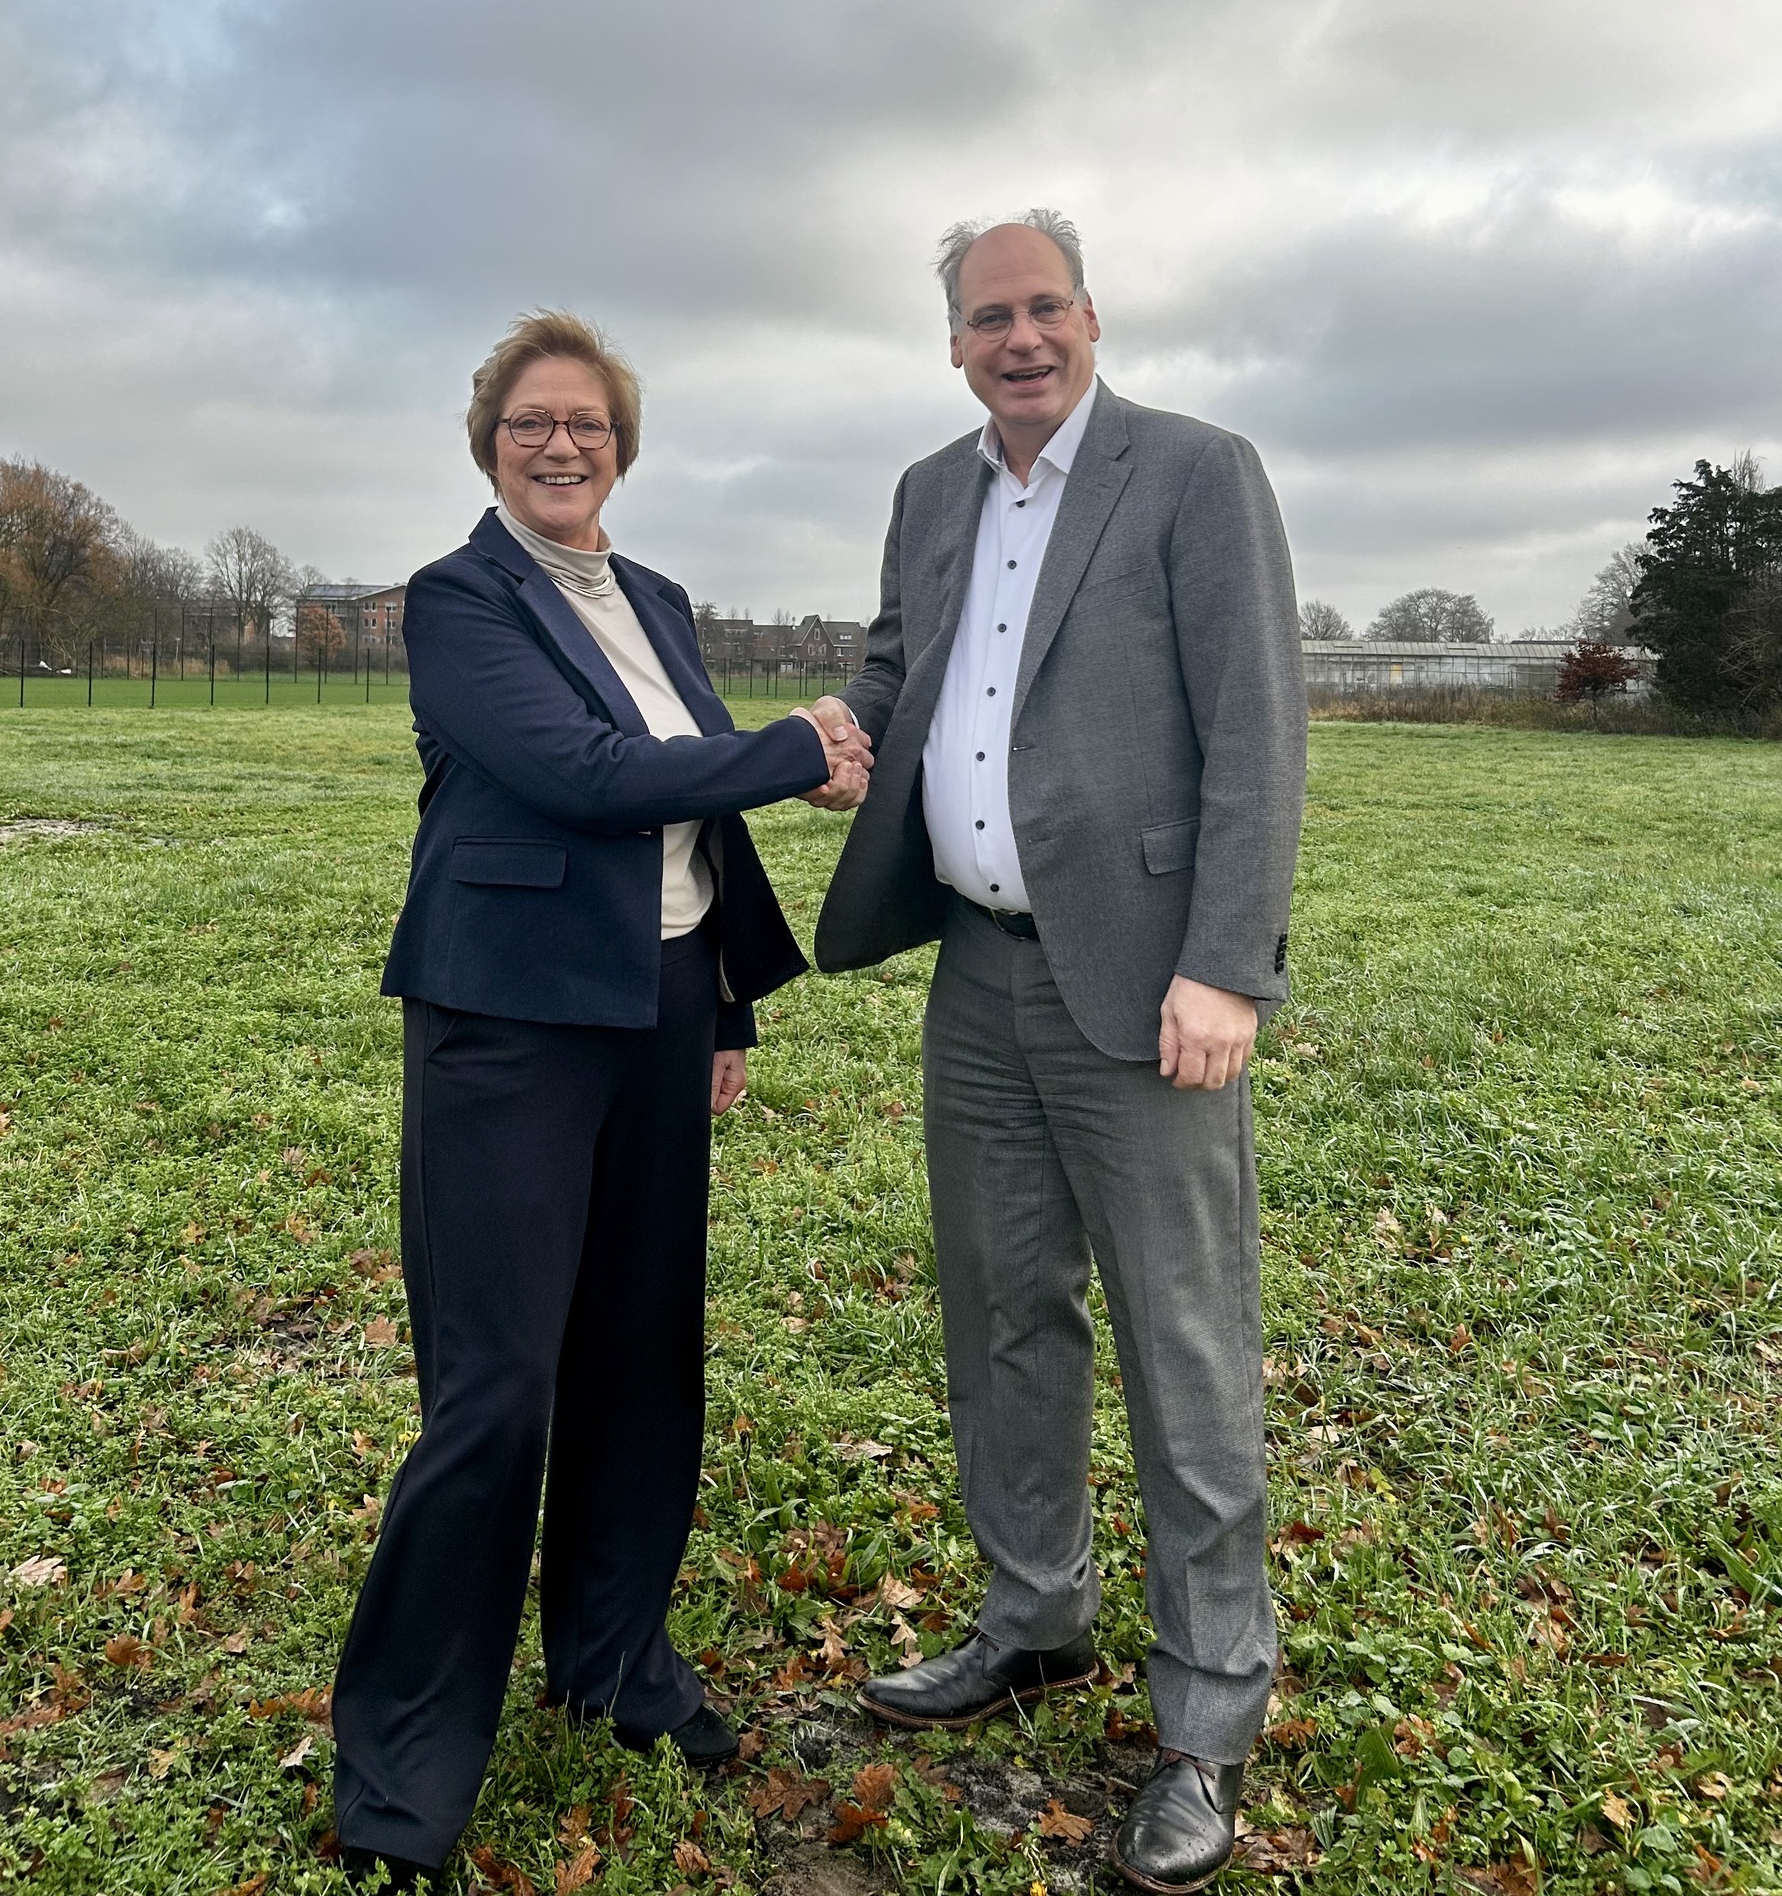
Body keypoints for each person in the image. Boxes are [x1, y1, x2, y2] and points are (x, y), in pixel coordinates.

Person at [330, 311, 870, 1891]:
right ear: (490, 443)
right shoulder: (458, 599)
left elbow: (685, 817)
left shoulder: (656, 597)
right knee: (495, 1389)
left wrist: (722, 1004)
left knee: (642, 1350)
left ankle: (613, 1664)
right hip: (507, 1023)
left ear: (622, 445)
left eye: (587, 425)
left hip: (653, 1005)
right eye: (530, 425)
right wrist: (796, 746)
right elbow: (582, 773)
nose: (559, 447)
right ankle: (409, 1762)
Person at [807, 215, 1306, 1895]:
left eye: (1043, 308)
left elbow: (1256, 725)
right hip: (978, 977)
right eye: (984, 317)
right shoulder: (933, 493)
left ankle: (1208, 1712)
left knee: (1183, 1345)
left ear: (1090, 319)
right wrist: (843, 738)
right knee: (1002, 1307)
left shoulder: (1191, 473)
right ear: (951, 344)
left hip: (1145, 985)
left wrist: (1226, 965)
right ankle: (1035, 1618)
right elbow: (903, 667)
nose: (1017, 338)